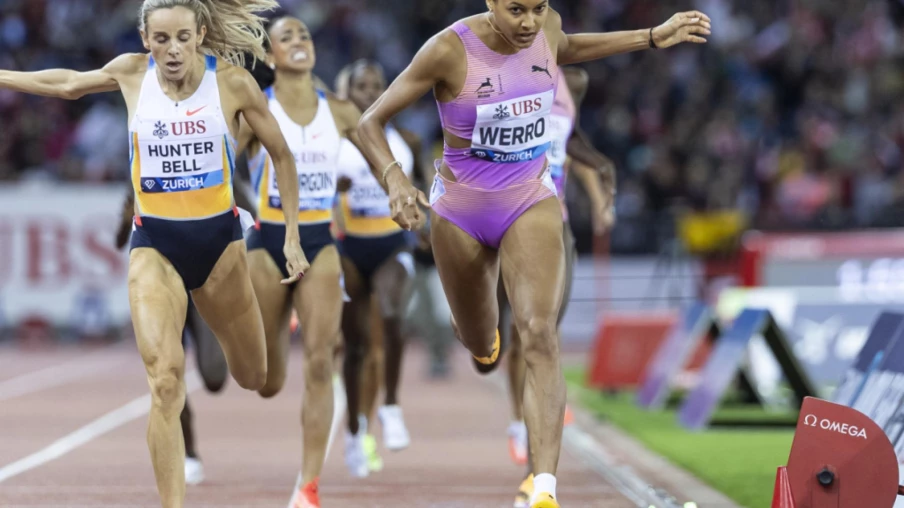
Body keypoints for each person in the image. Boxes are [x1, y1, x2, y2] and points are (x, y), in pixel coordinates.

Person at [355, 2, 710, 507]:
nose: (527, 22)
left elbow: (568, 47)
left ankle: (543, 487)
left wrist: (653, 36)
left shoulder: (547, 26)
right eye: (515, 9)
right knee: (481, 346)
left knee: (540, 333)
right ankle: (481, 338)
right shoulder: (448, 49)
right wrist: (394, 180)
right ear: (490, 3)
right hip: (460, 209)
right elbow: (370, 122)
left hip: (529, 196)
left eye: (537, 7)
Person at [0, 1, 309, 506]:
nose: (172, 50)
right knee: (165, 384)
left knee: (254, 375)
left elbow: (283, 156)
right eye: (161, 39)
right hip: (154, 247)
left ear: (200, 34)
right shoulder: (131, 74)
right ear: (146, 39)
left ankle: (276, 318)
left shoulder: (231, 83)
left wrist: (291, 233)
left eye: (182, 38)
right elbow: (67, 84)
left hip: (221, 249)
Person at [235, 13, 373, 507]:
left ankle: (308, 485)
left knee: (320, 360)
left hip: (319, 242)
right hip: (267, 246)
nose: (299, 41)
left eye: (305, 35)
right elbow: (222, 158)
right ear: (270, 55)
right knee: (266, 382)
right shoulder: (256, 107)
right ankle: (273, 326)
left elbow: (379, 154)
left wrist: (399, 184)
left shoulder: (338, 110)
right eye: (286, 37)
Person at [502, 65, 617, 508]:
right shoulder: (499, 74)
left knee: (542, 336)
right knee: (511, 338)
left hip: (554, 224)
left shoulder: (573, 88)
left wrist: (600, 200)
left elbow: (573, 150)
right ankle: (518, 417)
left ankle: (536, 476)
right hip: (502, 219)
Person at [333, 59, 426, 478]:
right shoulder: (334, 140)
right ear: (347, 92)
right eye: (362, 86)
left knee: (391, 313)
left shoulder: (406, 140)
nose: (370, 93)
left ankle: (390, 405)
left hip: (392, 245)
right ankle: (355, 430)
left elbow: (422, 190)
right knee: (355, 347)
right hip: (348, 246)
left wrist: (426, 227)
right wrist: (334, 189)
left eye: (377, 85)